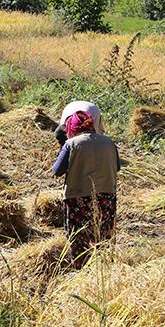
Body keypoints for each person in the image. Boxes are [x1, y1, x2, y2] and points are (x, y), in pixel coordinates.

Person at [52, 110, 120, 268]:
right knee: (104, 234)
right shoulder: (109, 142)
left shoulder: (71, 144)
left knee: (79, 237)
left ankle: (82, 270)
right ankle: (104, 268)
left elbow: (57, 171)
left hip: (78, 197)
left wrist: (63, 147)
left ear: (72, 127)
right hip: (107, 195)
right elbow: (116, 167)